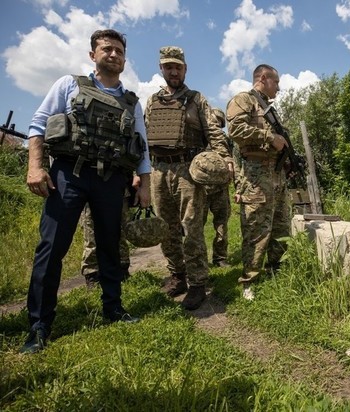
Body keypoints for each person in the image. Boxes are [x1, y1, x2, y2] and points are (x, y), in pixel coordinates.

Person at [21, 29, 151, 354]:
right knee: (51, 249)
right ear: (93, 55)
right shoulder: (69, 85)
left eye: (119, 50)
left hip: (111, 180)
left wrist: (144, 183)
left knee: (110, 248)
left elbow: (142, 148)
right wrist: (35, 167)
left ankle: (114, 308)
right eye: (106, 49)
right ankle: (39, 326)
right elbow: (38, 125)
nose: (113, 54)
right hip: (69, 174)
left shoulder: (132, 102)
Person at [145, 46, 232, 310]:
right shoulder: (152, 101)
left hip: (187, 171)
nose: (173, 71)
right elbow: (144, 137)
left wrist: (226, 160)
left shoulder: (197, 100)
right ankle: (177, 275)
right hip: (159, 170)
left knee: (192, 227)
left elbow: (214, 133)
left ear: (185, 69)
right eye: (168, 66)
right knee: (166, 228)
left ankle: (197, 283)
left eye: (178, 67)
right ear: (162, 69)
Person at [226, 64, 291, 300]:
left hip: (276, 174)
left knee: (281, 225)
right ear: (263, 78)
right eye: (276, 82)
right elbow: (235, 129)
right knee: (255, 227)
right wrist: (269, 137)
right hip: (254, 175)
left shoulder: (268, 108)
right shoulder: (243, 100)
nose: (279, 87)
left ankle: (277, 270)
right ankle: (249, 280)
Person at [80, 173, 139, 287]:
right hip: (89, 183)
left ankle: (122, 270)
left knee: (120, 231)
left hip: (118, 182)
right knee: (91, 233)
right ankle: (92, 274)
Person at [202, 108, 231, 268]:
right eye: (214, 122)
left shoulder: (225, 141)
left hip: (220, 189)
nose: (216, 125)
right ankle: (198, 259)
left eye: (219, 123)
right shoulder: (198, 139)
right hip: (201, 189)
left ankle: (220, 258)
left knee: (221, 225)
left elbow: (231, 162)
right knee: (196, 225)